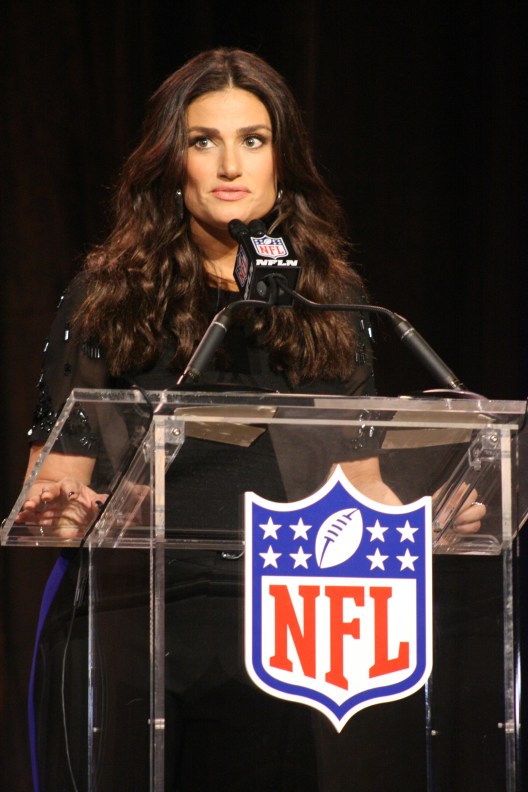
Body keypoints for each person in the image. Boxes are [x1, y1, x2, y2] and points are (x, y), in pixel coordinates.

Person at [16, 48, 485, 791]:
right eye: (204, 141)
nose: (230, 165)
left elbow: (358, 489)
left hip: (272, 638)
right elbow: (53, 490)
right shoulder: (106, 296)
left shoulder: (331, 302)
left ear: (281, 160)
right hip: (121, 621)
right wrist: (64, 512)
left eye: (253, 140)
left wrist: (419, 528)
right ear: (172, 163)